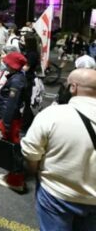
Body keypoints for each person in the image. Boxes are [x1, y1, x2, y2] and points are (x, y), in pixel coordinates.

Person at [21, 68, 96, 231]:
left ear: (73, 87)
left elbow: (31, 154)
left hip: (56, 194)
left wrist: (36, 172)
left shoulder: (52, 115)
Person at [0, 51, 28, 192]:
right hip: (11, 118)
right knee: (9, 148)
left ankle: (16, 181)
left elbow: (11, 104)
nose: (5, 64)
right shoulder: (16, 77)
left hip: (11, 119)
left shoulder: (16, 81)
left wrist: (6, 124)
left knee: (13, 149)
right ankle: (11, 176)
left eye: (7, 63)